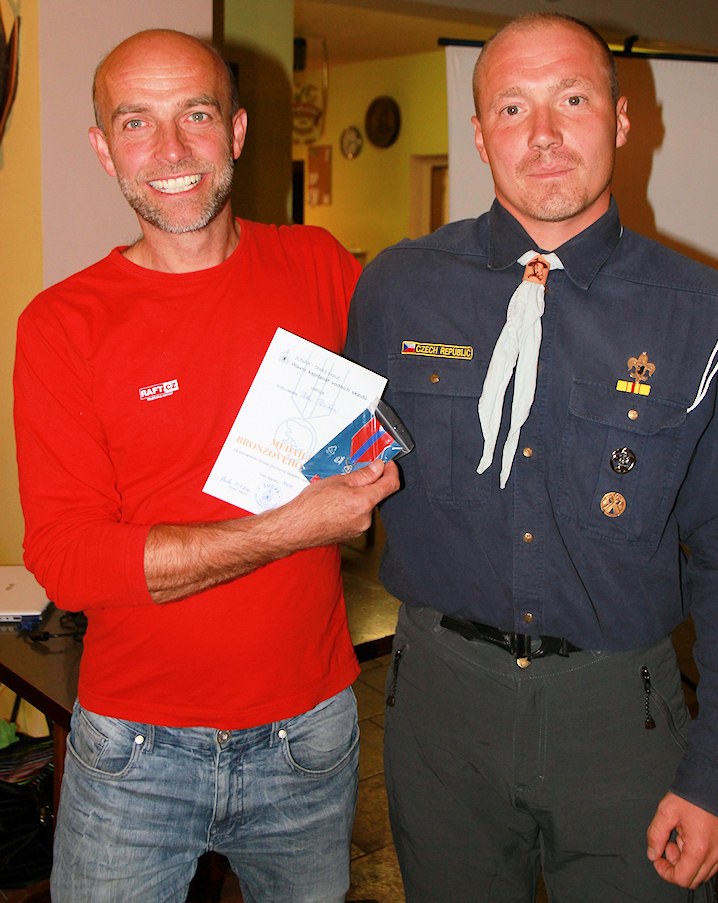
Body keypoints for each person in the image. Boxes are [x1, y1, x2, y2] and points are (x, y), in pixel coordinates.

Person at [344, 12, 718, 903]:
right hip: (439, 715)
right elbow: (342, 472)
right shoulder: (397, 287)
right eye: (513, 107)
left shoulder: (705, 311)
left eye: (573, 99)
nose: (544, 133)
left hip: (621, 722)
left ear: (621, 121)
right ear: (481, 135)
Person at [13, 29, 399, 903]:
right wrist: (289, 528)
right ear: (103, 148)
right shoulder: (62, 325)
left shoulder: (319, 265)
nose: (172, 150)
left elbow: (409, 409)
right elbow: (70, 561)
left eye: (195, 114)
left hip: (309, 735)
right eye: (136, 123)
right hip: (134, 750)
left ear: (236, 129)